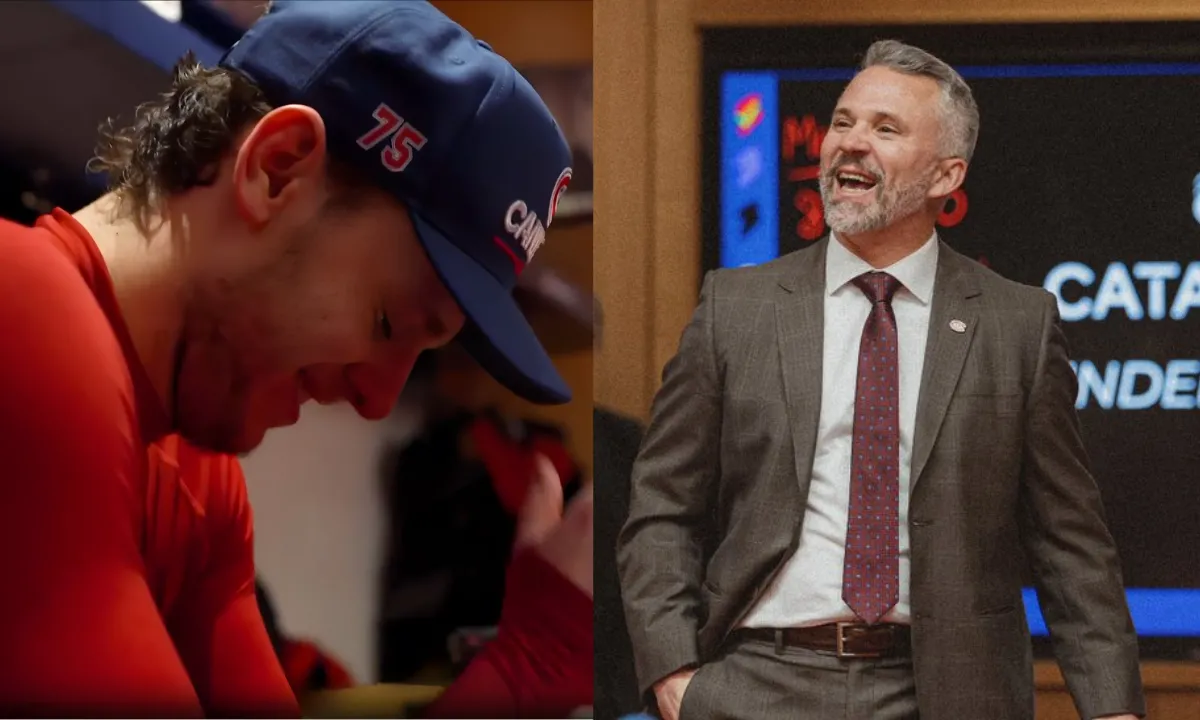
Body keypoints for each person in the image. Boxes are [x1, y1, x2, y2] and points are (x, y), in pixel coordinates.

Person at [0, 1, 591, 716]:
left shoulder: (199, 483)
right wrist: (531, 666)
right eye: (388, 322)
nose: (378, 399)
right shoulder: (22, 308)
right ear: (276, 170)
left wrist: (534, 664)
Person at [617, 40, 1143, 720]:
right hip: (754, 684)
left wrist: (1113, 710)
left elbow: (1071, 545)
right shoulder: (735, 308)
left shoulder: (1018, 325)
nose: (850, 143)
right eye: (843, 122)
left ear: (946, 176)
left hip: (945, 694)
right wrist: (675, 677)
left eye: (885, 129)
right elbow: (662, 507)